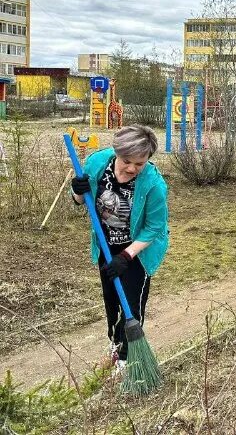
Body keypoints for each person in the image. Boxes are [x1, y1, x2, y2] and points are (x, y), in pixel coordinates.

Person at [70, 125, 169, 373]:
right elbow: (81, 200)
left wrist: (126, 256)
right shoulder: (96, 164)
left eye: (140, 163)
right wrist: (78, 191)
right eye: (127, 161)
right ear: (116, 153)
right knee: (111, 300)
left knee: (131, 305)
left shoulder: (154, 185)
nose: (132, 168)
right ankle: (115, 346)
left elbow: (154, 227)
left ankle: (129, 359)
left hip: (137, 250)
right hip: (106, 245)